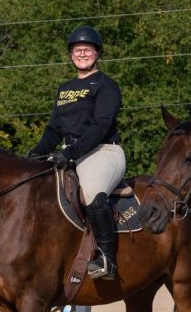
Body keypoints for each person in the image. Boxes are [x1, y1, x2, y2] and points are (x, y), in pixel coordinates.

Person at [27, 26, 126, 280]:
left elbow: (101, 126)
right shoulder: (65, 89)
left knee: (92, 194)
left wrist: (71, 152)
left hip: (102, 151)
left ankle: (107, 259)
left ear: (97, 53)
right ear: (71, 54)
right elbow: (54, 127)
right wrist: (37, 152)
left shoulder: (106, 86)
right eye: (77, 50)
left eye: (87, 49)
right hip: (70, 153)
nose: (82, 54)